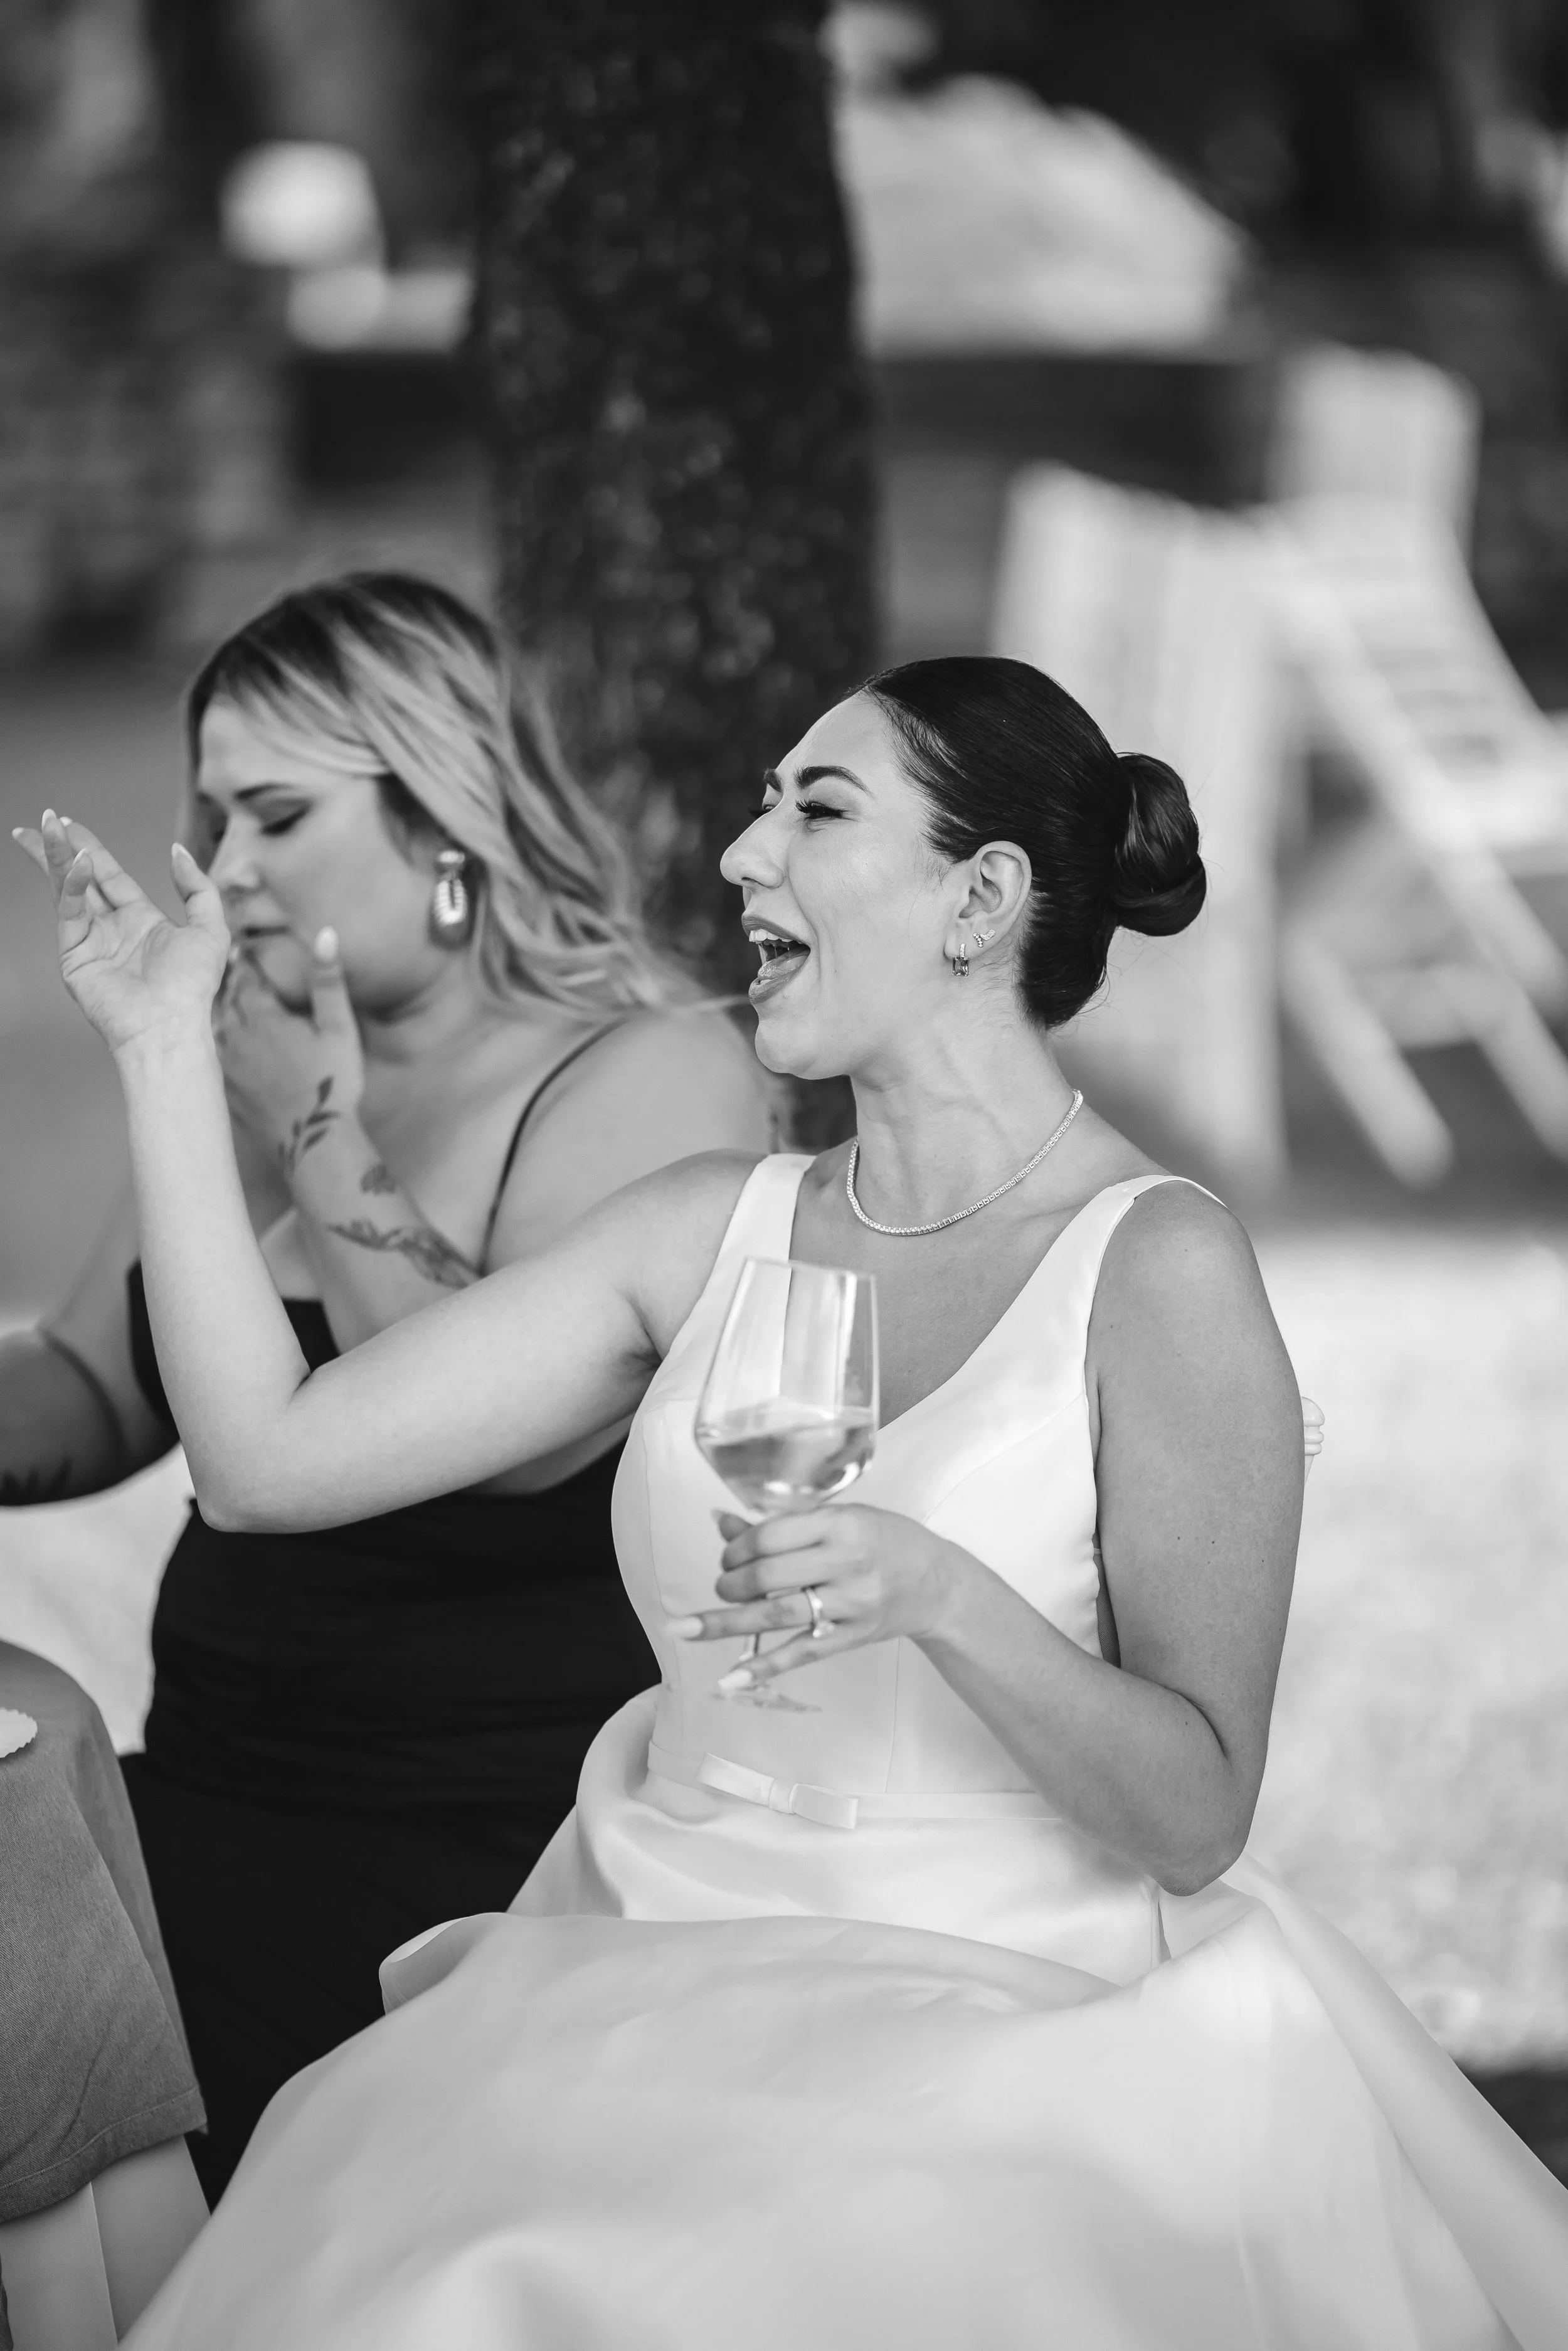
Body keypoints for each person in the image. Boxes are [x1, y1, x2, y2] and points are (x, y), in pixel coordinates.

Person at [17, 657, 1568, 2347]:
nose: (744, 855)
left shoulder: (1159, 1267)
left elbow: (1194, 1813)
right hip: (644, 1958)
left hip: (1010, 1996)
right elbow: (264, 1462)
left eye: (817, 811)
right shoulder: (707, 1229)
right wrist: (161, 1046)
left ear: (981, 898)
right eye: (762, 806)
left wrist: (941, 1596)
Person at [1, 573, 770, 2199]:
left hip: (454, 1846)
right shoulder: (243, 1052)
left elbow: (500, 1445)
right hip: (203, 1783)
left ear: (447, 817)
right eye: (213, 814)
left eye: (280, 814)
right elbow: (89, 1382)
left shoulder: (645, 1068)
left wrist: (310, 1125)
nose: (228, 867)